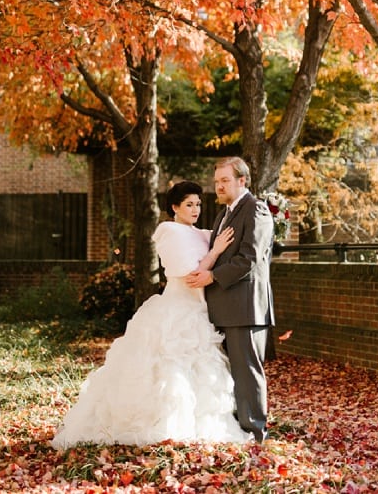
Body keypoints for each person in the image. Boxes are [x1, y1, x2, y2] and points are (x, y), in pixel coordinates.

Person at [51, 180, 251, 448]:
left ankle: (197, 425)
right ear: (174, 207)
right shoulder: (169, 231)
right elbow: (191, 274)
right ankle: (164, 426)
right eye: (189, 204)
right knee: (167, 370)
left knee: (201, 372)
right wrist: (215, 252)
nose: (195, 209)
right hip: (176, 311)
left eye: (198, 204)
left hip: (201, 311)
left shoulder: (204, 233)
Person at [186, 156, 275, 443]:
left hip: (245, 308)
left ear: (242, 181)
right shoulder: (223, 214)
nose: (219, 186)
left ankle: (255, 432)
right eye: (216, 182)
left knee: (247, 372)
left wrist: (211, 277)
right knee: (229, 373)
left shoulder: (256, 210)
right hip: (222, 307)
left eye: (225, 181)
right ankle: (237, 429)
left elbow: (249, 258)